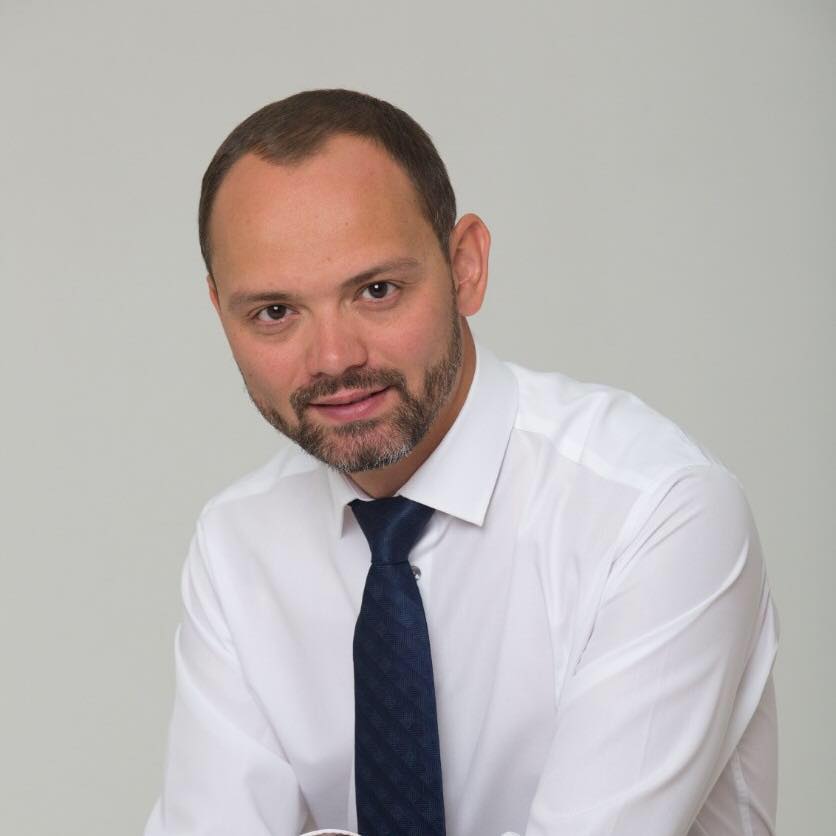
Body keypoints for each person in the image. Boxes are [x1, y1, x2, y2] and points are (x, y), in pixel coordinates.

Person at [144, 89, 779, 836]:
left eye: (376, 291)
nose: (334, 358)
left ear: (466, 266)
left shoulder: (655, 511)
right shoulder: (237, 544)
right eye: (275, 313)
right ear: (220, 309)